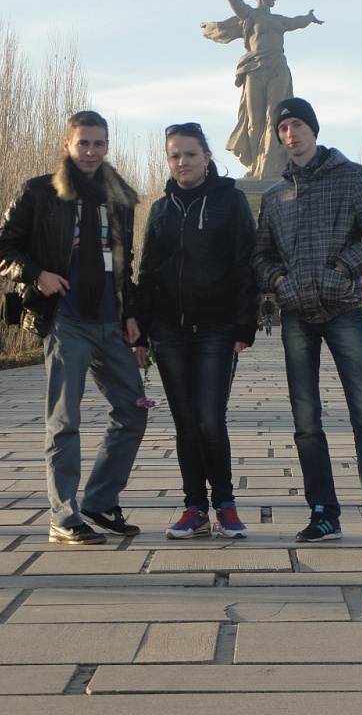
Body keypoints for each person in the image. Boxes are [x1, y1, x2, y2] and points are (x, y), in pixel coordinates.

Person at [251, 98, 362, 547]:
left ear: (313, 129)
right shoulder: (274, 196)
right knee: (306, 420)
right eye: (283, 128)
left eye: (297, 125)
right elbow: (260, 257)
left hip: (343, 310)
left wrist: (342, 269)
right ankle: (323, 513)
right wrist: (279, 281)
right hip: (297, 315)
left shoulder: (352, 176)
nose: (290, 134)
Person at [0, 110, 147, 546]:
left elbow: (125, 264)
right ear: (67, 145)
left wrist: (133, 315)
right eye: (83, 143)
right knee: (65, 420)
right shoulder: (40, 192)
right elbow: (0, 247)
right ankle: (63, 516)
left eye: (99, 144)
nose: (91, 152)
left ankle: (100, 501)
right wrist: (36, 274)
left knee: (133, 410)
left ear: (107, 146)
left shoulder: (120, 198)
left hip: (111, 322)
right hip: (66, 320)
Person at [135, 122, 259, 540]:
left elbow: (246, 264)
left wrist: (244, 324)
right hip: (168, 331)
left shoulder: (230, 201)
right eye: (175, 155)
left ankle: (225, 503)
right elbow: (147, 273)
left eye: (190, 154)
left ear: (207, 157)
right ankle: (195, 508)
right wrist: (140, 333)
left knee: (209, 419)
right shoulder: (160, 210)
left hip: (215, 328)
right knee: (185, 423)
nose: (182, 162)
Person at [201, 0, 323, 181]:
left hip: (277, 70)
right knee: (254, 123)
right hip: (254, 71)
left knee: (274, 118)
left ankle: (270, 171)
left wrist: (309, 18)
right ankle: (257, 167)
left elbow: (297, 21)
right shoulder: (248, 15)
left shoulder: (279, 21)